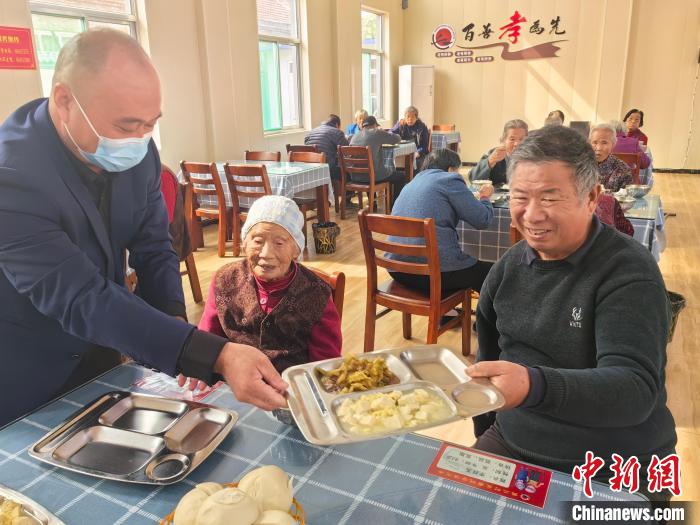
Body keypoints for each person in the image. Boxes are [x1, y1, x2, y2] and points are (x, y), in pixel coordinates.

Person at [0, 29, 286, 426]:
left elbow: (154, 248)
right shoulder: (10, 176)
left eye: (150, 124)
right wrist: (212, 354)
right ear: (65, 101)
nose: (138, 140)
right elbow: (79, 295)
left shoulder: (138, 150)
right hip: (24, 370)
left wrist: (172, 333)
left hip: (102, 353)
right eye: (126, 125)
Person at [467, 125, 676, 503]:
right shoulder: (508, 268)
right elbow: (489, 363)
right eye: (520, 197)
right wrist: (485, 435)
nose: (531, 215)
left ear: (592, 196)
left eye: (550, 198)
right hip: (515, 441)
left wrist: (533, 385)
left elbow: (634, 388)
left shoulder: (628, 271)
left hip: (612, 461)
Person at [198, 196, 342, 371]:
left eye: (279, 243)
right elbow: (207, 341)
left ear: (296, 250)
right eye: (257, 241)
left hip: (291, 387)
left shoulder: (317, 293)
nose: (266, 253)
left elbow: (326, 364)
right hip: (232, 381)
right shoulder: (224, 280)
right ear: (244, 243)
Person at [387, 149, 495, 293]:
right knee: (495, 273)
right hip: (434, 273)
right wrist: (485, 197)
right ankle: (489, 316)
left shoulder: (410, 184)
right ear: (451, 169)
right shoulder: (449, 179)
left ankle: (447, 314)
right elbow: (483, 219)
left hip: (397, 269)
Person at [349, 116, 403, 202]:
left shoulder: (354, 136)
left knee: (371, 167)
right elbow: (397, 139)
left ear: (363, 126)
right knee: (401, 176)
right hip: (373, 177)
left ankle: (373, 205)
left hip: (355, 177)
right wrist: (390, 132)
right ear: (374, 125)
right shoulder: (376, 132)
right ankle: (394, 205)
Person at [470, 119, 528, 186]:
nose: (517, 143)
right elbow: (473, 179)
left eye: (521, 139)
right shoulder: (493, 154)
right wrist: (490, 161)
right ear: (504, 140)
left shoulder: (533, 157)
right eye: (512, 139)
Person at [304, 114, 349, 182]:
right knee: (348, 172)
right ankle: (342, 192)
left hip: (310, 169)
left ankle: (332, 192)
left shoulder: (310, 132)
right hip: (327, 169)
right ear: (337, 125)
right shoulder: (336, 132)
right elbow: (347, 150)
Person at [589, 123, 633, 191]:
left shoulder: (622, 169)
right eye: (595, 142)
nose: (598, 148)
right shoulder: (579, 166)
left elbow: (626, 197)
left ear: (613, 144)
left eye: (604, 143)